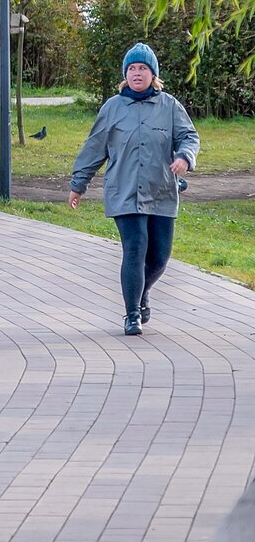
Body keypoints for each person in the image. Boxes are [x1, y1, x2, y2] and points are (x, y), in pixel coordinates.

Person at [68, 42, 199, 336]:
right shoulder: (112, 108)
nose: (137, 73)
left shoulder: (170, 107)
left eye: (142, 68)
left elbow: (189, 137)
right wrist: (79, 185)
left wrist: (184, 158)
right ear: (125, 75)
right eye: (132, 69)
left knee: (160, 257)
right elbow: (94, 149)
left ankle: (141, 294)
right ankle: (132, 315)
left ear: (153, 74)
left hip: (162, 191)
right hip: (124, 192)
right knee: (136, 247)